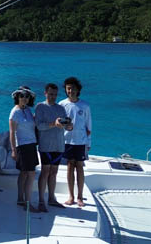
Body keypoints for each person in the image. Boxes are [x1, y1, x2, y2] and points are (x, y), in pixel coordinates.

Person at [35, 82, 72, 212]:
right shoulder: (40, 107)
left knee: (54, 173)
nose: (53, 97)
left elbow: (65, 125)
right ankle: (41, 200)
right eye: (51, 94)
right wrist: (53, 124)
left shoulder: (61, 108)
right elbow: (39, 126)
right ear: (45, 93)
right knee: (45, 172)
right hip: (46, 146)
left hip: (59, 145)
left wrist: (69, 126)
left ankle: (51, 198)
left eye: (55, 94)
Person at [59, 76, 92, 207]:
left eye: (73, 88)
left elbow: (89, 126)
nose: (70, 91)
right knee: (69, 166)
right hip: (67, 141)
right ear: (66, 90)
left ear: (78, 90)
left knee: (79, 166)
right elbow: (59, 123)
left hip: (81, 141)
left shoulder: (85, 106)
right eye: (68, 88)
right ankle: (71, 196)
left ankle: (80, 197)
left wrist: (88, 143)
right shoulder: (62, 104)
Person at [9, 86, 39, 211]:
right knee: (31, 174)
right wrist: (13, 150)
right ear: (17, 97)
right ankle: (27, 203)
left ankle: (20, 199)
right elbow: (12, 133)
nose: (24, 98)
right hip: (22, 146)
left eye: (27, 96)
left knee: (24, 173)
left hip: (31, 145)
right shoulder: (14, 112)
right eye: (22, 96)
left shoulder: (27, 110)